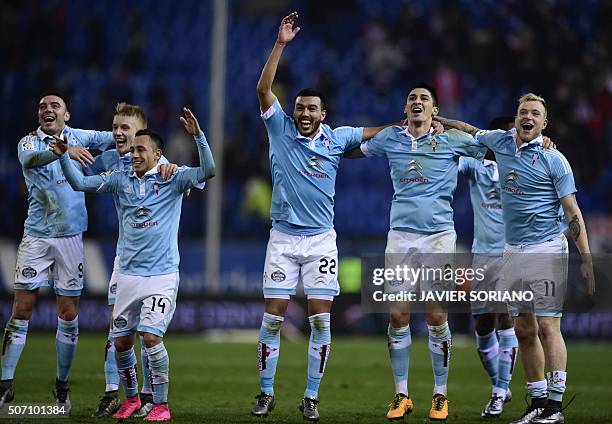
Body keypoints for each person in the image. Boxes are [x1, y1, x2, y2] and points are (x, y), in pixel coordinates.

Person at [251, 12, 395, 422]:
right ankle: (265, 393)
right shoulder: (278, 129)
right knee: (273, 317)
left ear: (323, 114)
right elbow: (263, 88)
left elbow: (374, 133)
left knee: (321, 321)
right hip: (282, 237)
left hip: (319, 241)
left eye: (311, 108)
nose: (304, 113)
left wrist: (412, 125)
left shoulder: (337, 138)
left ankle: (310, 397)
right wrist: (280, 44)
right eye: (299, 107)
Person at [435, 93, 595, 424]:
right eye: (524, 111)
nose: (529, 117)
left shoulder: (555, 160)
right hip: (512, 251)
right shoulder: (502, 143)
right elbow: (471, 131)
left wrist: (588, 258)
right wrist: (443, 122)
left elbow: (572, 211)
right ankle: (537, 401)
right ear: (516, 117)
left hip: (547, 249)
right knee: (523, 328)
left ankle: (555, 406)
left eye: (535, 113)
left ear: (543, 123)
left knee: (549, 326)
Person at [52, 107, 215, 422]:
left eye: (141, 149)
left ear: (156, 153)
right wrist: (61, 155)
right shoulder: (119, 174)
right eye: (132, 147)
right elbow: (80, 183)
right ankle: (128, 399)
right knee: (121, 341)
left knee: (151, 337)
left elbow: (207, 171)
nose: (133, 153)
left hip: (161, 274)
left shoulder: (172, 175)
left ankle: (160, 405)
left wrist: (198, 137)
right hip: (126, 272)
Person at [347, 84, 488, 422]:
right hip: (401, 238)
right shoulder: (391, 138)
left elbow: (490, 145)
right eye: (412, 98)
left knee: (437, 316)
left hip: (439, 238)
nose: (418, 102)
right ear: (405, 107)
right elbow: (353, 150)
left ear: (435, 110)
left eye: (425, 99)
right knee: (398, 315)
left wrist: (450, 123)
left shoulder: (452, 140)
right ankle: (402, 394)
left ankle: (440, 396)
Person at [0, 93, 115, 413]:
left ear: (67, 114)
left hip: (71, 238)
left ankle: (62, 386)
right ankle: (5, 384)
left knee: (68, 313)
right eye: (42, 106)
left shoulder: (82, 136)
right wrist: (61, 150)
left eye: (54, 106)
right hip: (36, 237)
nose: (47, 110)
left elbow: (120, 136)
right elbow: (29, 162)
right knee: (22, 308)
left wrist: (145, 148)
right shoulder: (28, 143)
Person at [89, 103, 180, 418]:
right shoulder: (112, 158)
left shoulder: (157, 160)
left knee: (147, 331)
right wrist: (71, 151)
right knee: (118, 329)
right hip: (123, 260)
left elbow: (193, 183)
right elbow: (86, 171)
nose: (118, 133)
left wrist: (171, 170)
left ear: (140, 132)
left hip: (154, 263)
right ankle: (114, 392)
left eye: (125, 128)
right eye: (115, 127)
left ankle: (149, 394)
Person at [458, 116, 518, 418]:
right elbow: (448, 156)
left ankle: (498, 390)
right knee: (483, 325)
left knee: (506, 319)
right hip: (481, 256)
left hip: (512, 254)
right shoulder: (474, 166)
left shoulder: (521, 166)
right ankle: (499, 384)